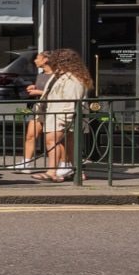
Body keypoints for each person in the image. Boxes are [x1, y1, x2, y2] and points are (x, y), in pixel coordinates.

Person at [30, 49, 91, 182]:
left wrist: (65, 120)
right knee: (61, 143)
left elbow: (70, 101)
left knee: (52, 141)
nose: (53, 63)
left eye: (56, 60)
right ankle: (69, 171)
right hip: (55, 115)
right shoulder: (60, 75)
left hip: (61, 116)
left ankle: (53, 172)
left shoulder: (73, 78)